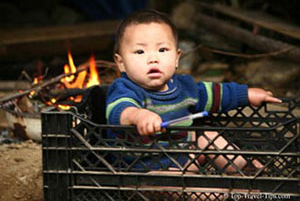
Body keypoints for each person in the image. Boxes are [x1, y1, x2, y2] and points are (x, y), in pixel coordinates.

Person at [105, 9, 282, 172]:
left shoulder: (185, 87)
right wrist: (139, 116)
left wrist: (246, 94)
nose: (153, 58)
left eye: (162, 49)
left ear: (176, 57)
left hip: (183, 157)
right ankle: (210, 194)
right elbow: (120, 110)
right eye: (140, 52)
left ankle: (247, 171)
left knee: (209, 137)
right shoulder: (125, 88)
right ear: (121, 63)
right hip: (144, 169)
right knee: (178, 185)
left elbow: (214, 93)